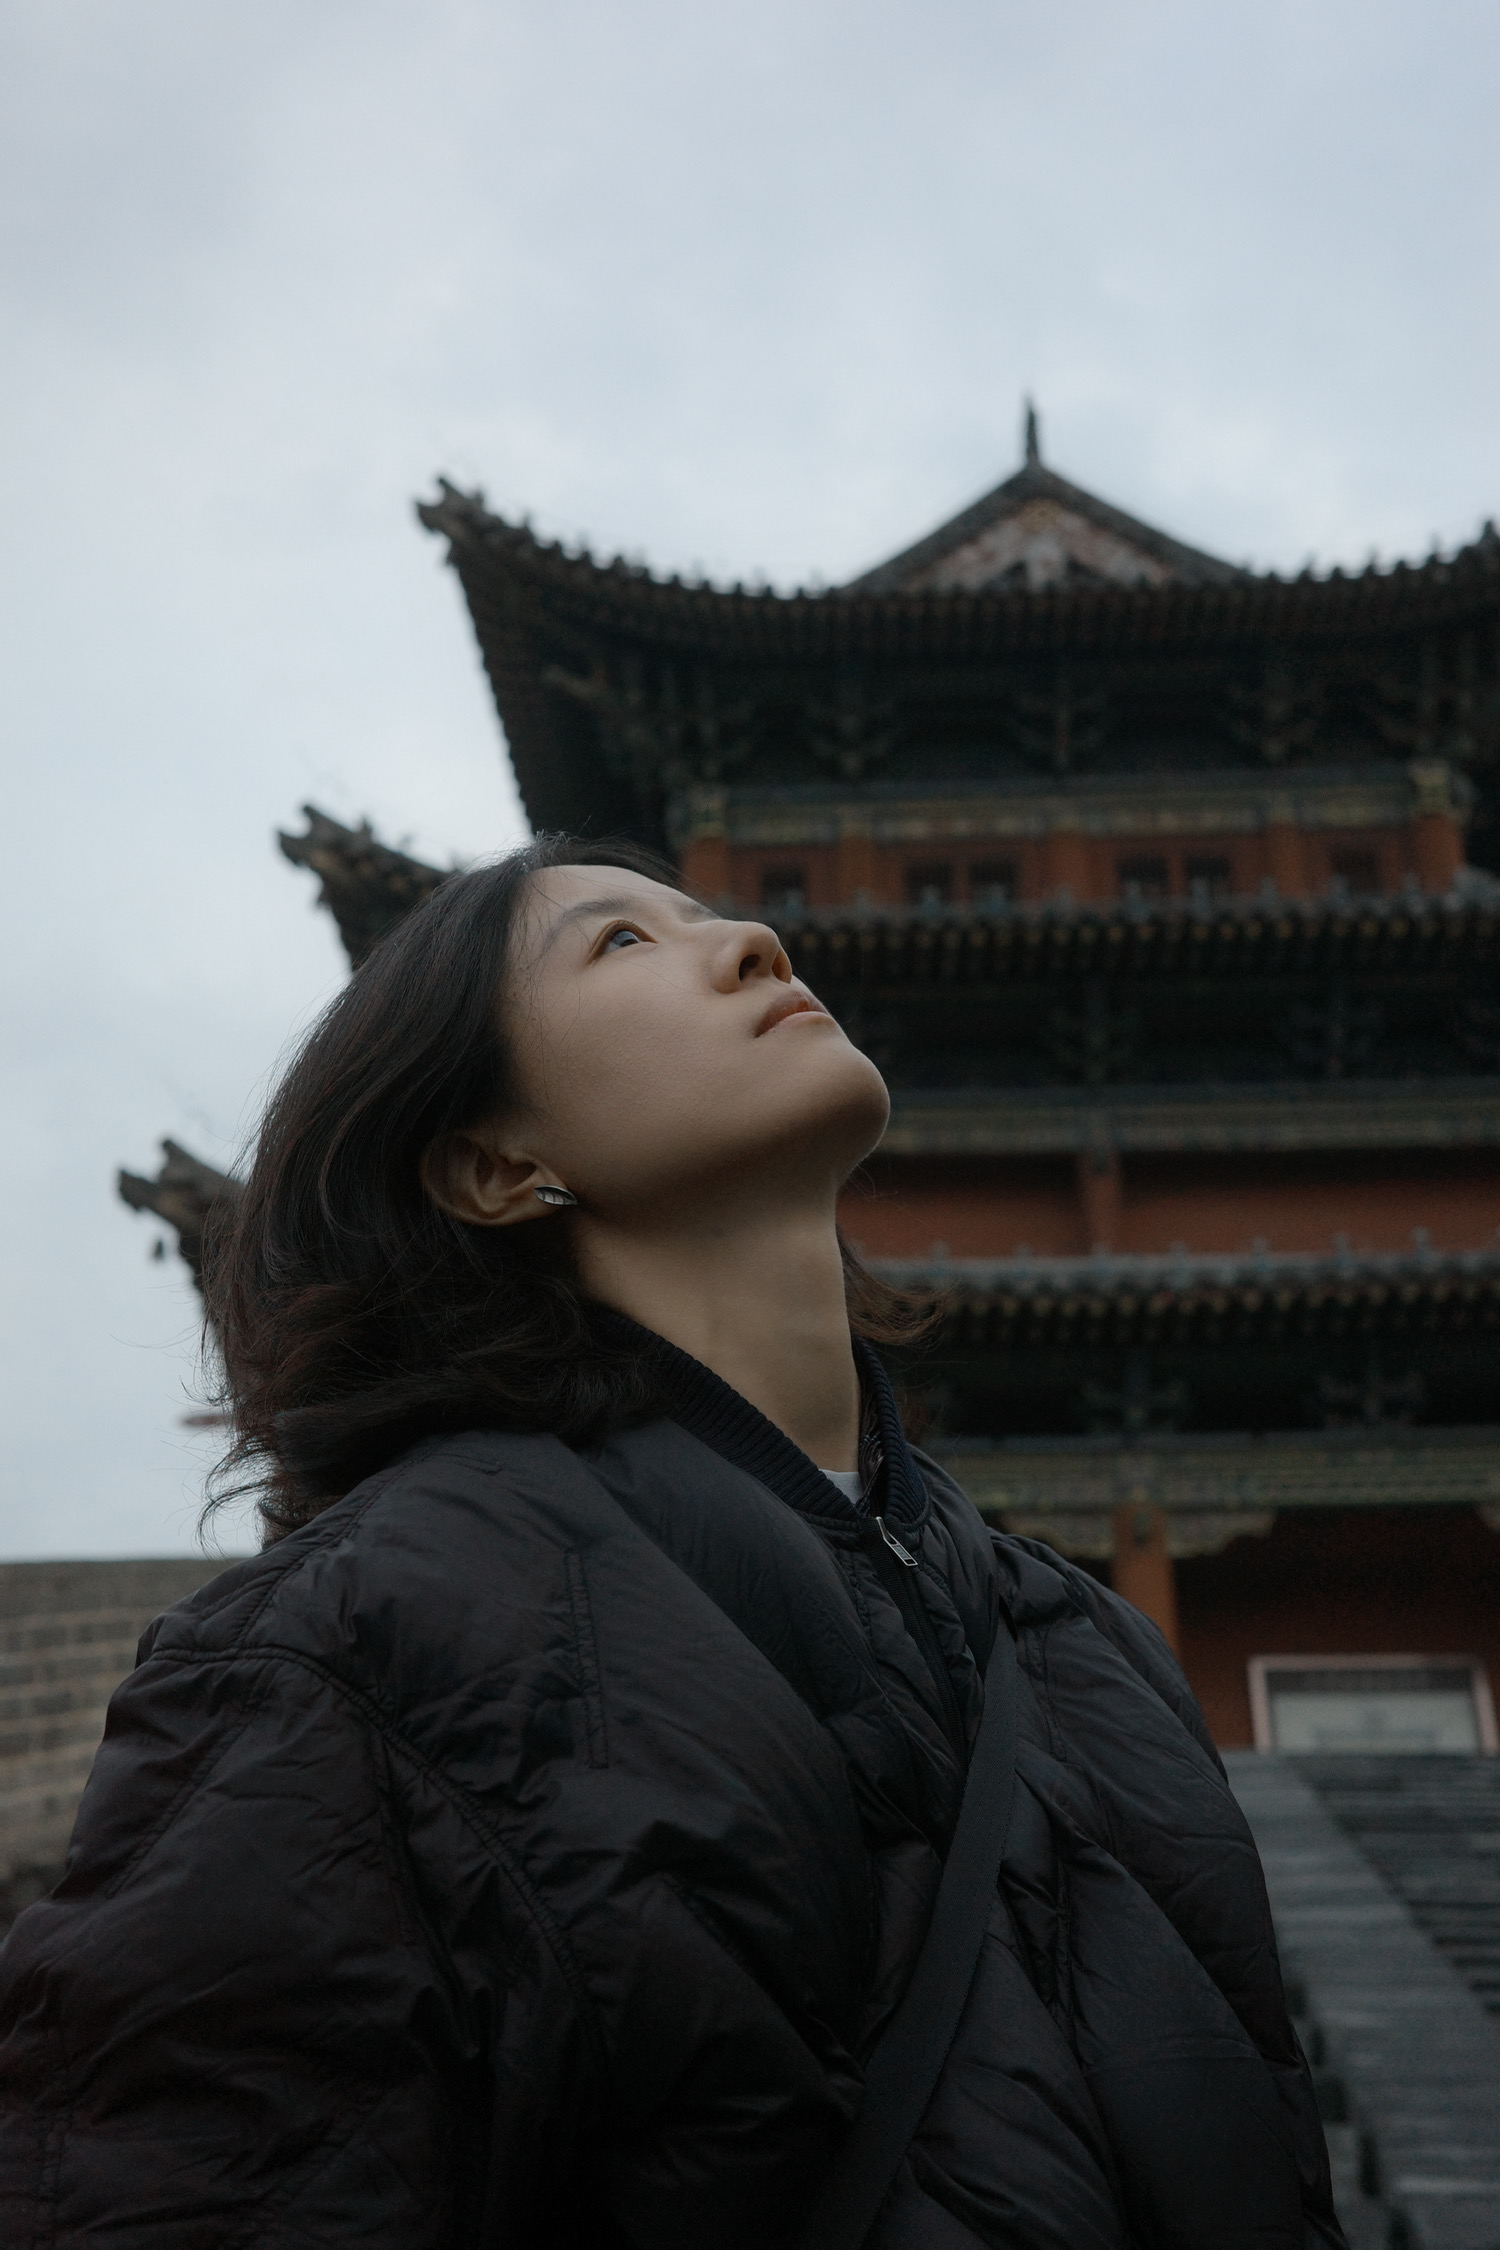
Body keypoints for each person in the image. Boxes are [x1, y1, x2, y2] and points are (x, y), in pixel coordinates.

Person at [0, 837, 1343, 2249]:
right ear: (497, 1163)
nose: (756, 939)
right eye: (622, 941)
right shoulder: (350, 1646)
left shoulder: (1087, 1650)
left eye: (710, 914)